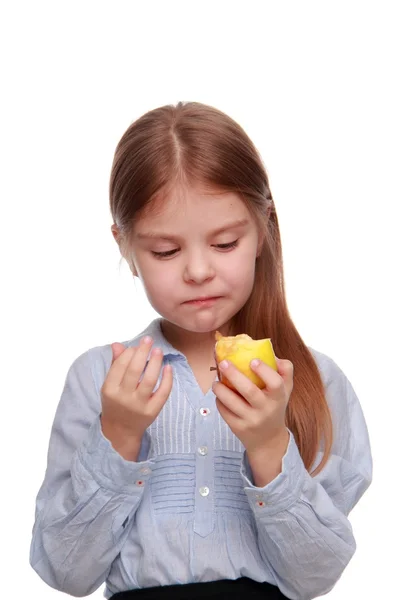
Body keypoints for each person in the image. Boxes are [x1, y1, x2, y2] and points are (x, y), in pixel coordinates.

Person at [29, 101, 372, 600]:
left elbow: (314, 576)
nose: (196, 271)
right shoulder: (100, 378)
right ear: (124, 247)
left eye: (225, 243)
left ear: (263, 230)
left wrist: (269, 444)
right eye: (165, 251)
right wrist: (119, 435)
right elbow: (68, 573)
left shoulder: (313, 381)